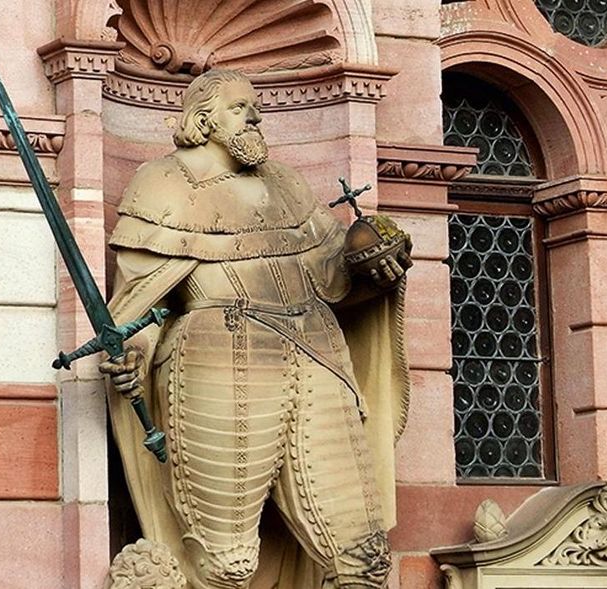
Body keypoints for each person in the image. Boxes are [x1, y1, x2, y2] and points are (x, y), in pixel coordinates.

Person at [101, 69, 412, 589]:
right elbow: (140, 298)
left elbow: (332, 276)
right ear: (203, 119)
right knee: (223, 562)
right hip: (218, 361)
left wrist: (375, 260)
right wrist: (130, 350)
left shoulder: (286, 182)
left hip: (318, 356)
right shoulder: (161, 183)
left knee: (364, 553)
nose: (257, 116)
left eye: (256, 106)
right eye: (241, 107)